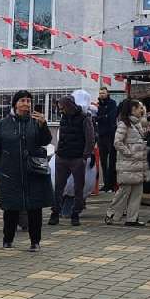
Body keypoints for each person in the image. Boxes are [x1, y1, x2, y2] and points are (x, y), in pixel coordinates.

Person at [0, 89, 54, 251]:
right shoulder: (3, 124)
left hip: (33, 173)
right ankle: (8, 239)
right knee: (11, 208)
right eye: (22, 100)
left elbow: (45, 141)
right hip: (10, 173)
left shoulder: (35, 122)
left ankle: (35, 242)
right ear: (15, 104)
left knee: (34, 208)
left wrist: (43, 125)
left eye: (28, 101)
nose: (26, 104)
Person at [48, 94, 96, 226]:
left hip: (77, 159)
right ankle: (55, 213)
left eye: (62, 107)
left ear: (68, 106)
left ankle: (75, 214)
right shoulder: (64, 118)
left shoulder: (85, 118)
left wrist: (84, 157)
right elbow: (61, 136)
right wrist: (58, 152)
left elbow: (90, 139)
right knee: (58, 188)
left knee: (78, 189)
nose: (60, 110)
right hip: (62, 157)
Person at [106, 99, 150, 226]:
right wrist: (129, 153)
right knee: (123, 192)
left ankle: (132, 218)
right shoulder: (123, 124)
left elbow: (145, 122)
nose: (140, 110)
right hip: (128, 165)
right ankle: (112, 215)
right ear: (131, 110)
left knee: (137, 193)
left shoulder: (137, 124)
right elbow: (117, 142)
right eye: (138, 108)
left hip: (138, 165)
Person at [95, 87, 119, 192]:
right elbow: (96, 117)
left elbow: (111, 117)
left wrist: (102, 117)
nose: (101, 95)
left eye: (103, 93)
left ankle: (112, 184)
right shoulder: (98, 104)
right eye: (100, 93)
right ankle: (106, 184)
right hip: (101, 135)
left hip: (111, 135)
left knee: (112, 161)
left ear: (107, 93)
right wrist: (103, 116)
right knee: (103, 161)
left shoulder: (112, 103)